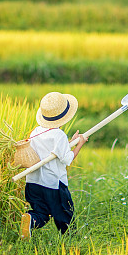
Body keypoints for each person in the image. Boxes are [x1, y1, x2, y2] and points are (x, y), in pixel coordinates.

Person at [21, 91, 87, 239]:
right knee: (64, 213)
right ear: (64, 117)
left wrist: (70, 142)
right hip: (53, 184)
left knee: (41, 213)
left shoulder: (35, 132)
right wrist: (80, 144)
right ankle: (71, 240)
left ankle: (30, 220)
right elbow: (67, 159)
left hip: (33, 183)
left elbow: (53, 151)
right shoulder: (59, 135)